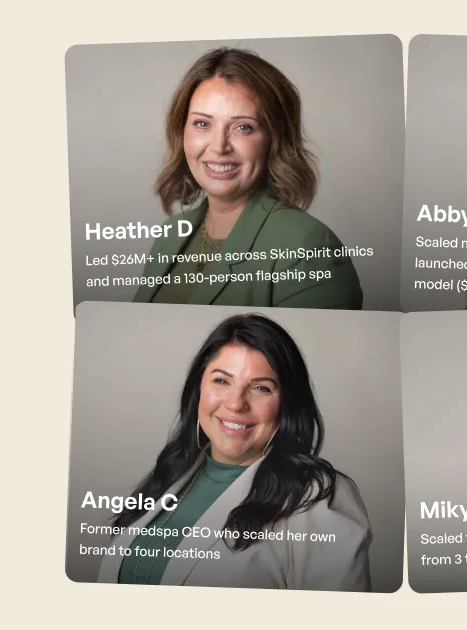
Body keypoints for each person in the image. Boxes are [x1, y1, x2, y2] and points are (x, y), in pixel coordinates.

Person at [98, 314, 373, 591]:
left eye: (260, 388)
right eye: (221, 381)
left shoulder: (317, 496)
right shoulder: (171, 474)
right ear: (199, 388)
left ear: (287, 403)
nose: (235, 404)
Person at [132, 47, 363, 309]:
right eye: (202, 124)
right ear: (181, 131)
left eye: (243, 127)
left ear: (274, 141)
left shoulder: (306, 247)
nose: (219, 147)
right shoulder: (170, 235)